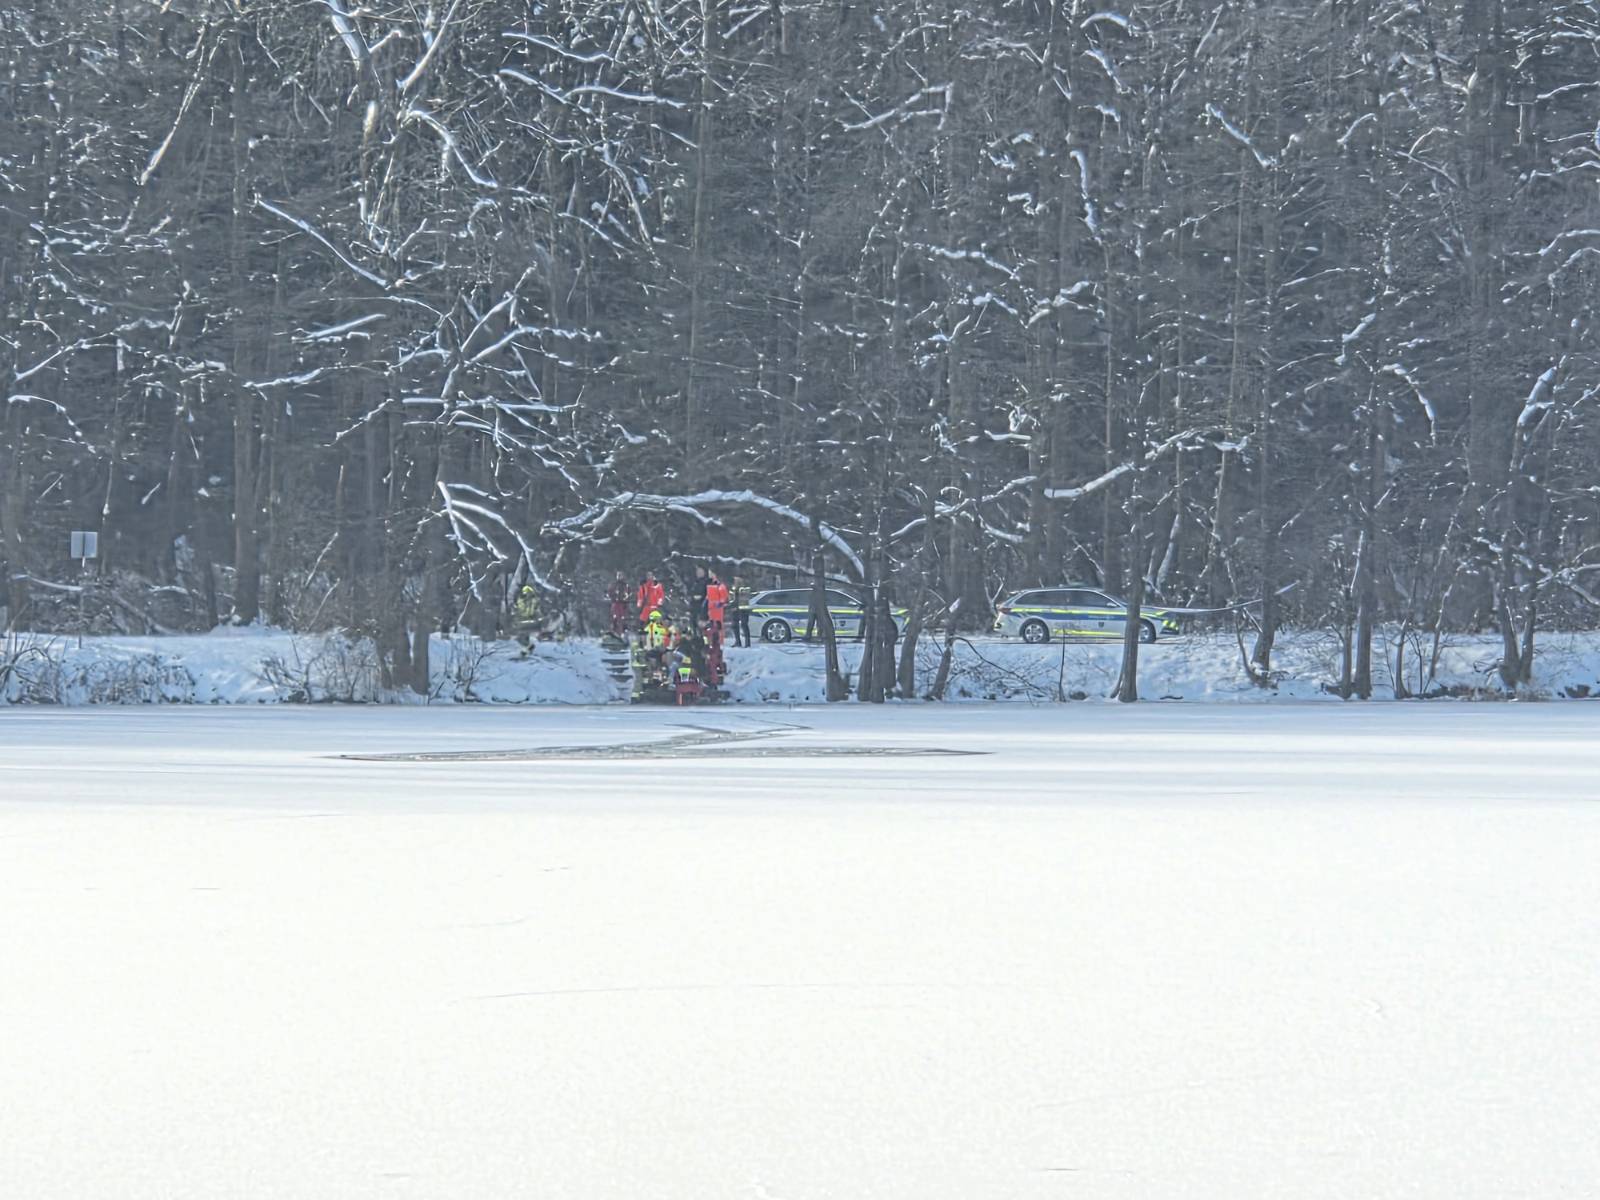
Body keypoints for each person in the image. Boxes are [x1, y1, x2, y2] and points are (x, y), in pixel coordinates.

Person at [513, 584, 542, 656]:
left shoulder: (523, 599)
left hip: (525, 619)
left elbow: (520, 608)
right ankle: (527, 649)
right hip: (529, 619)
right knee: (524, 636)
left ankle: (526, 649)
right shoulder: (534, 599)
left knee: (520, 636)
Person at [729, 576, 752, 648]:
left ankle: (747, 643)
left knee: (744, 625)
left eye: (738, 579)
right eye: (735, 580)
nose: (736, 581)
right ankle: (737, 641)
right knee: (734, 625)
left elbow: (744, 598)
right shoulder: (733, 588)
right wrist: (731, 606)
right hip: (735, 609)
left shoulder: (744, 588)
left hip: (743, 609)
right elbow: (731, 598)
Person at [606, 570, 630, 639]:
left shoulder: (625, 585)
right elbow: (609, 592)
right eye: (618, 575)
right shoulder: (613, 584)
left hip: (622, 604)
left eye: (620, 575)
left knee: (621, 619)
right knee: (614, 618)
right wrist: (611, 596)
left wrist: (625, 599)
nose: (619, 577)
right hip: (615, 603)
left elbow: (628, 594)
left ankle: (621, 633)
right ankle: (614, 632)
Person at [705, 571, 728, 637]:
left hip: (717, 608)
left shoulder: (720, 585)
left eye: (711, 573)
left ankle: (719, 638)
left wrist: (721, 602)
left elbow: (723, 595)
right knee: (711, 623)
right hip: (711, 607)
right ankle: (712, 637)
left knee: (718, 624)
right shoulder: (710, 583)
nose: (710, 575)